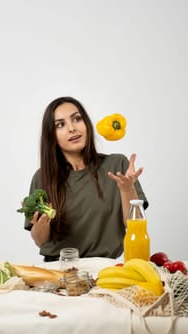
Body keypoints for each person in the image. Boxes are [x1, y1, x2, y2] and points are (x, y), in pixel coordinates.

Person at [24, 96, 148, 261]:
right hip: (59, 270)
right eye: (60, 124)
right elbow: (41, 241)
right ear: (51, 136)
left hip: (104, 268)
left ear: (86, 124)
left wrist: (127, 189)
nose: (72, 128)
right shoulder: (42, 177)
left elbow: (134, 226)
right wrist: (41, 225)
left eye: (76, 119)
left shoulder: (116, 165)